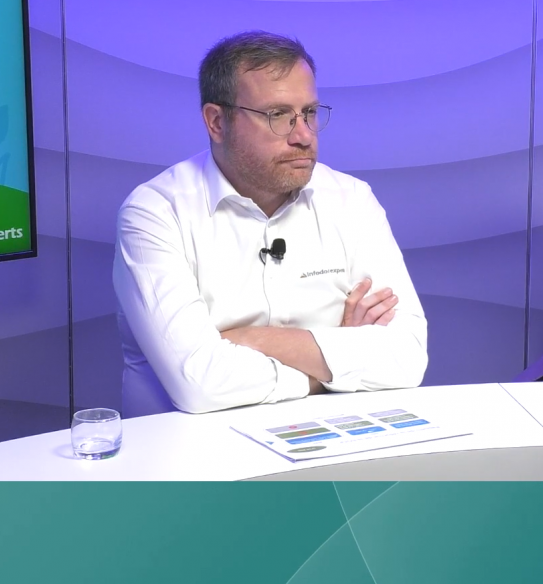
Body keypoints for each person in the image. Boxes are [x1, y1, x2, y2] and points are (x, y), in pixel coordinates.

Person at [113, 31, 428, 417]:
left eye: (309, 113)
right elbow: (200, 385)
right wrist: (332, 363)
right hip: (192, 449)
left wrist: (251, 340)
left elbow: (407, 357)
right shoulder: (156, 213)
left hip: (329, 438)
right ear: (216, 122)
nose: (303, 136)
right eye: (277, 115)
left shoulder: (352, 200)